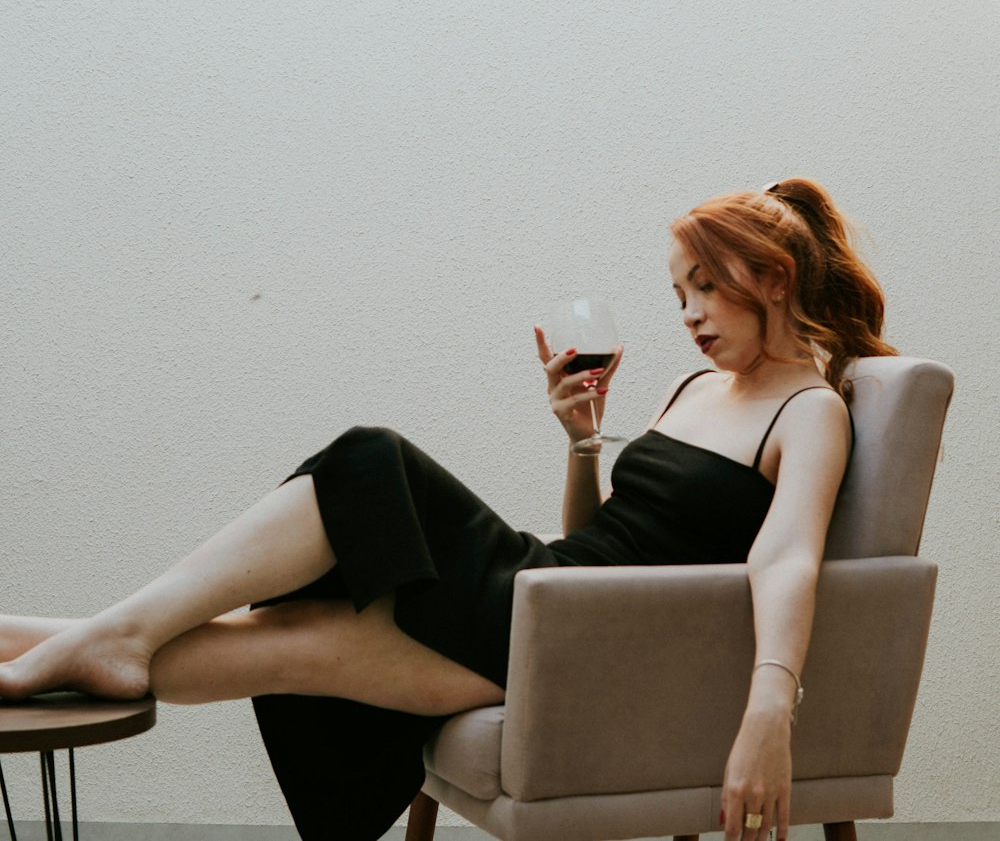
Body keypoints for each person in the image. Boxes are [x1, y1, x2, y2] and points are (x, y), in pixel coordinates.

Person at [0, 178, 894, 841]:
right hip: (553, 594)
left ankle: (108, 635)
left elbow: (785, 559)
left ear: (774, 277)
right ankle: (73, 639)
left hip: (587, 639)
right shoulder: (697, 384)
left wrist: (770, 710)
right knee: (290, 638)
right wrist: (583, 441)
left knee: (369, 456)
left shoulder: (808, 410)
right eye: (679, 295)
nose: (690, 314)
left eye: (706, 285)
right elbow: (595, 540)